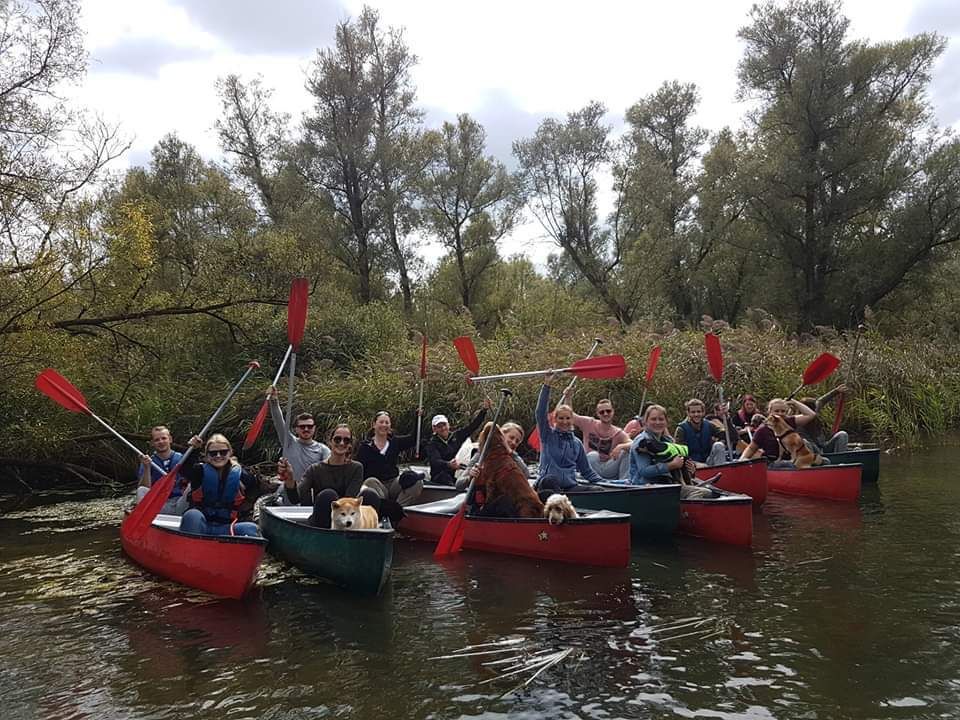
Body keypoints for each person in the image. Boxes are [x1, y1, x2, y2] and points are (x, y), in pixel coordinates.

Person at [279, 424, 390, 528]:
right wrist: (290, 479)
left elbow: (349, 500)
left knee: (370, 495)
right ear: (330, 441)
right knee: (328, 495)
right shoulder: (315, 469)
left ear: (350, 445)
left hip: (346, 522)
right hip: (322, 522)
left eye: (346, 440)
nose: (341, 443)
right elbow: (295, 498)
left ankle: (368, 535)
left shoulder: (356, 468)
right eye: (337, 439)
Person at [179, 434, 262, 537]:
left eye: (223, 452)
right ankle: (191, 549)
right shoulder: (198, 472)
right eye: (213, 453)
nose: (218, 456)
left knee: (251, 529)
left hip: (228, 527)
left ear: (230, 453)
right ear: (207, 455)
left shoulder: (243, 475)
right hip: (201, 526)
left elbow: (258, 491)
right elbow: (184, 469)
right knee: (191, 516)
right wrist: (192, 450)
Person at [535, 374, 603, 491]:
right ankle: (560, 502)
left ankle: (565, 501)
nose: (564, 422)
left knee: (597, 490)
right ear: (555, 419)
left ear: (572, 420)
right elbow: (540, 412)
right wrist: (547, 385)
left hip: (569, 487)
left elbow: (587, 472)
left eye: (568, 418)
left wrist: (615, 483)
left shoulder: (577, 443)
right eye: (561, 418)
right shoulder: (547, 435)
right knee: (550, 480)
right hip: (547, 485)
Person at [354, 410, 425, 506]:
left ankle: (398, 509)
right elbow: (359, 470)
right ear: (374, 424)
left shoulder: (395, 442)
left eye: (387, 422)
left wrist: (418, 418)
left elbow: (414, 438)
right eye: (381, 422)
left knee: (416, 481)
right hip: (376, 485)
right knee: (370, 481)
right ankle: (385, 510)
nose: (384, 425)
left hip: (393, 484)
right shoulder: (365, 447)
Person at [619, 404, 695, 485]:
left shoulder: (668, 441)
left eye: (661, 419)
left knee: (707, 490)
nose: (657, 422)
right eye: (653, 419)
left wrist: (691, 470)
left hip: (668, 485)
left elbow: (680, 465)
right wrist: (671, 465)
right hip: (644, 488)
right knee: (702, 492)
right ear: (645, 422)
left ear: (666, 422)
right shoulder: (642, 442)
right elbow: (644, 471)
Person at [560, 392, 630, 480]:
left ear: (613, 412)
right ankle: (588, 479)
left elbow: (633, 444)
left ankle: (625, 483)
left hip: (607, 468)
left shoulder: (618, 432)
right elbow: (571, 416)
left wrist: (621, 446)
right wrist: (568, 398)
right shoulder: (589, 423)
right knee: (593, 455)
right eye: (602, 412)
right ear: (597, 414)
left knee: (626, 452)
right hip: (589, 467)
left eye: (608, 411)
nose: (605, 414)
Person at [268, 386, 330, 485]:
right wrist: (274, 401)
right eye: (302, 426)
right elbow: (279, 422)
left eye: (309, 426)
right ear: (296, 429)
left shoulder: (323, 449)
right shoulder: (289, 442)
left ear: (314, 428)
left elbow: (330, 471)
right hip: (289, 489)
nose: (306, 429)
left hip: (311, 492)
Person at [425, 399, 490, 485]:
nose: (443, 428)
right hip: (440, 476)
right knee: (444, 477)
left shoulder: (457, 436)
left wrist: (484, 410)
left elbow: (472, 426)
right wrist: (448, 464)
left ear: (448, 425)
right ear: (434, 429)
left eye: (444, 425)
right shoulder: (431, 444)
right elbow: (435, 461)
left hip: (456, 474)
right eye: (439, 426)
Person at [740, 398, 817, 465]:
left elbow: (811, 415)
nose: (780, 414)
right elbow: (751, 448)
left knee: (825, 462)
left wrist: (794, 402)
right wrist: (743, 459)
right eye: (776, 411)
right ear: (770, 411)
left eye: (783, 411)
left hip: (794, 459)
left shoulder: (790, 421)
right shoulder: (762, 430)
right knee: (789, 465)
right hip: (774, 463)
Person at [456, 421, 531, 490]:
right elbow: (459, 485)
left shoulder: (514, 458)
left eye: (517, 441)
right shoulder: (482, 454)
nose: (514, 442)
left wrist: (510, 452)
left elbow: (526, 475)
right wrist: (470, 477)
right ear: (502, 435)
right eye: (511, 438)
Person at [135, 425, 186, 514]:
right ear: (152, 443)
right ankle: (148, 521)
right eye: (157, 440)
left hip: (180, 503)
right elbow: (145, 487)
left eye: (164, 438)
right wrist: (147, 468)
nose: (161, 442)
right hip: (158, 505)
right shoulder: (148, 462)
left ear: (170, 439)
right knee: (141, 490)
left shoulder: (182, 458)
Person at [674, 398, 728, 466]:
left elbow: (727, 435)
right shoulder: (681, 429)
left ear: (703, 412)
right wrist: (693, 464)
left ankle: (721, 472)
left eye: (698, 411)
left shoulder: (708, 425)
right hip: (691, 465)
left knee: (719, 445)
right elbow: (679, 454)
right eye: (693, 412)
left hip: (708, 461)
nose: (696, 414)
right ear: (688, 413)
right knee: (703, 466)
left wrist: (726, 416)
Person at [798, 384, 850, 453]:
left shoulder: (814, 411)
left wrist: (837, 391)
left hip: (823, 447)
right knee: (806, 443)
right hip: (813, 451)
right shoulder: (798, 421)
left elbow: (822, 401)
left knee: (842, 434)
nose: (816, 411)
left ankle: (840, 457)